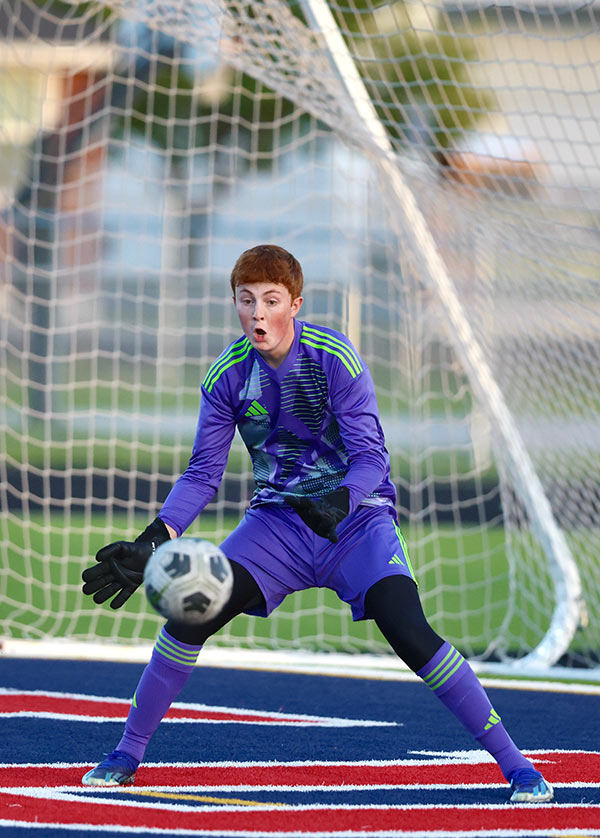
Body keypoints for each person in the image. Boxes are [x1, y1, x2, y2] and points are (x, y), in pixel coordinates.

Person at [81, 244, 553, 803]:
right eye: (246, 300)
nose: (257, 313)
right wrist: (153, 541)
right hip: (277, 525)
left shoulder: (335, 357)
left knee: (408, 630)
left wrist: (343, 500)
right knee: (191, 610)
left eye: (271, 300)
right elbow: (203, 473)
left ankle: (519, 766)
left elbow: (372, 457)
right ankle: (126, 754)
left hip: (356, 523)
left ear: (295, 304)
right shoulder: (226, 377)